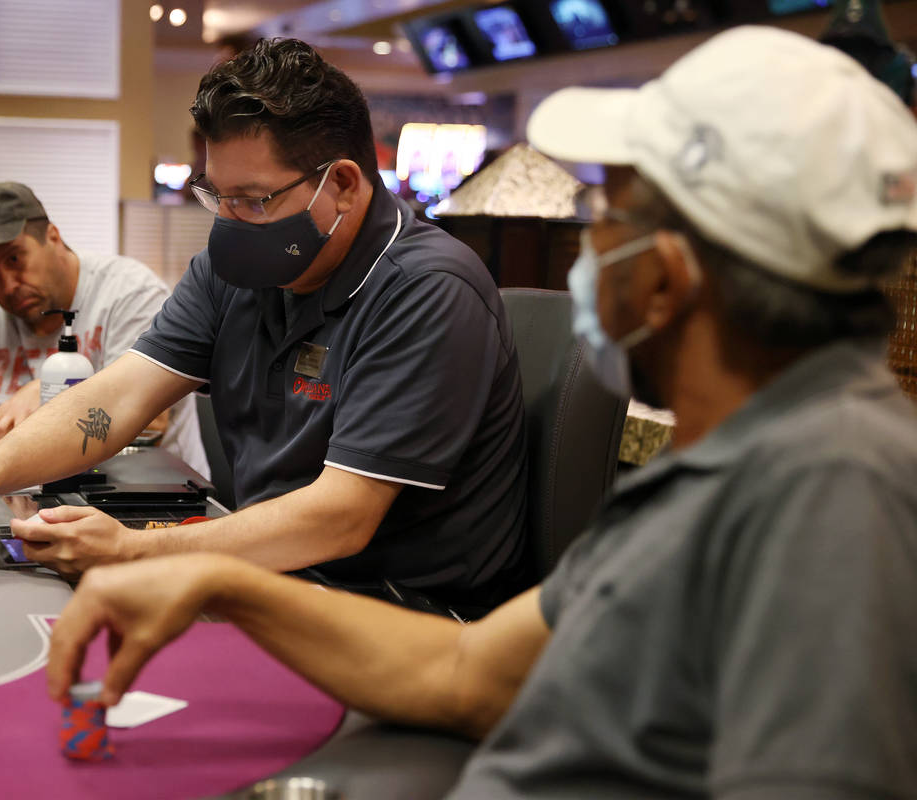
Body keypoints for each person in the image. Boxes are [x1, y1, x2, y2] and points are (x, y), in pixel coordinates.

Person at [46, 27, 917, 799]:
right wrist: (219, 580)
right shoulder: (723, 470)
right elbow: (469, 676)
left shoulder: (832, 491)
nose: (590, 244)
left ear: (667, 276)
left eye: (604, 214)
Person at [0, 39, 531, 617]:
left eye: (254, 200)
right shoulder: (232, 266)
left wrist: (136, 551)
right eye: (218, 195)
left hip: (401, 610)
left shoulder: (427, 291)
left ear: (345, 185)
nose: (229, 221)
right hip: (274, 576)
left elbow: (340, 518)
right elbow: (117, 397)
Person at [0, 181, 208, 474]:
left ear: (53, 237)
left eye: (15, 259)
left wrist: (55, 399)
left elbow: (152, 419)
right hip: (30, 484)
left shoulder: (131, 293)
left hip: (148, 492)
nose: (8, 285)